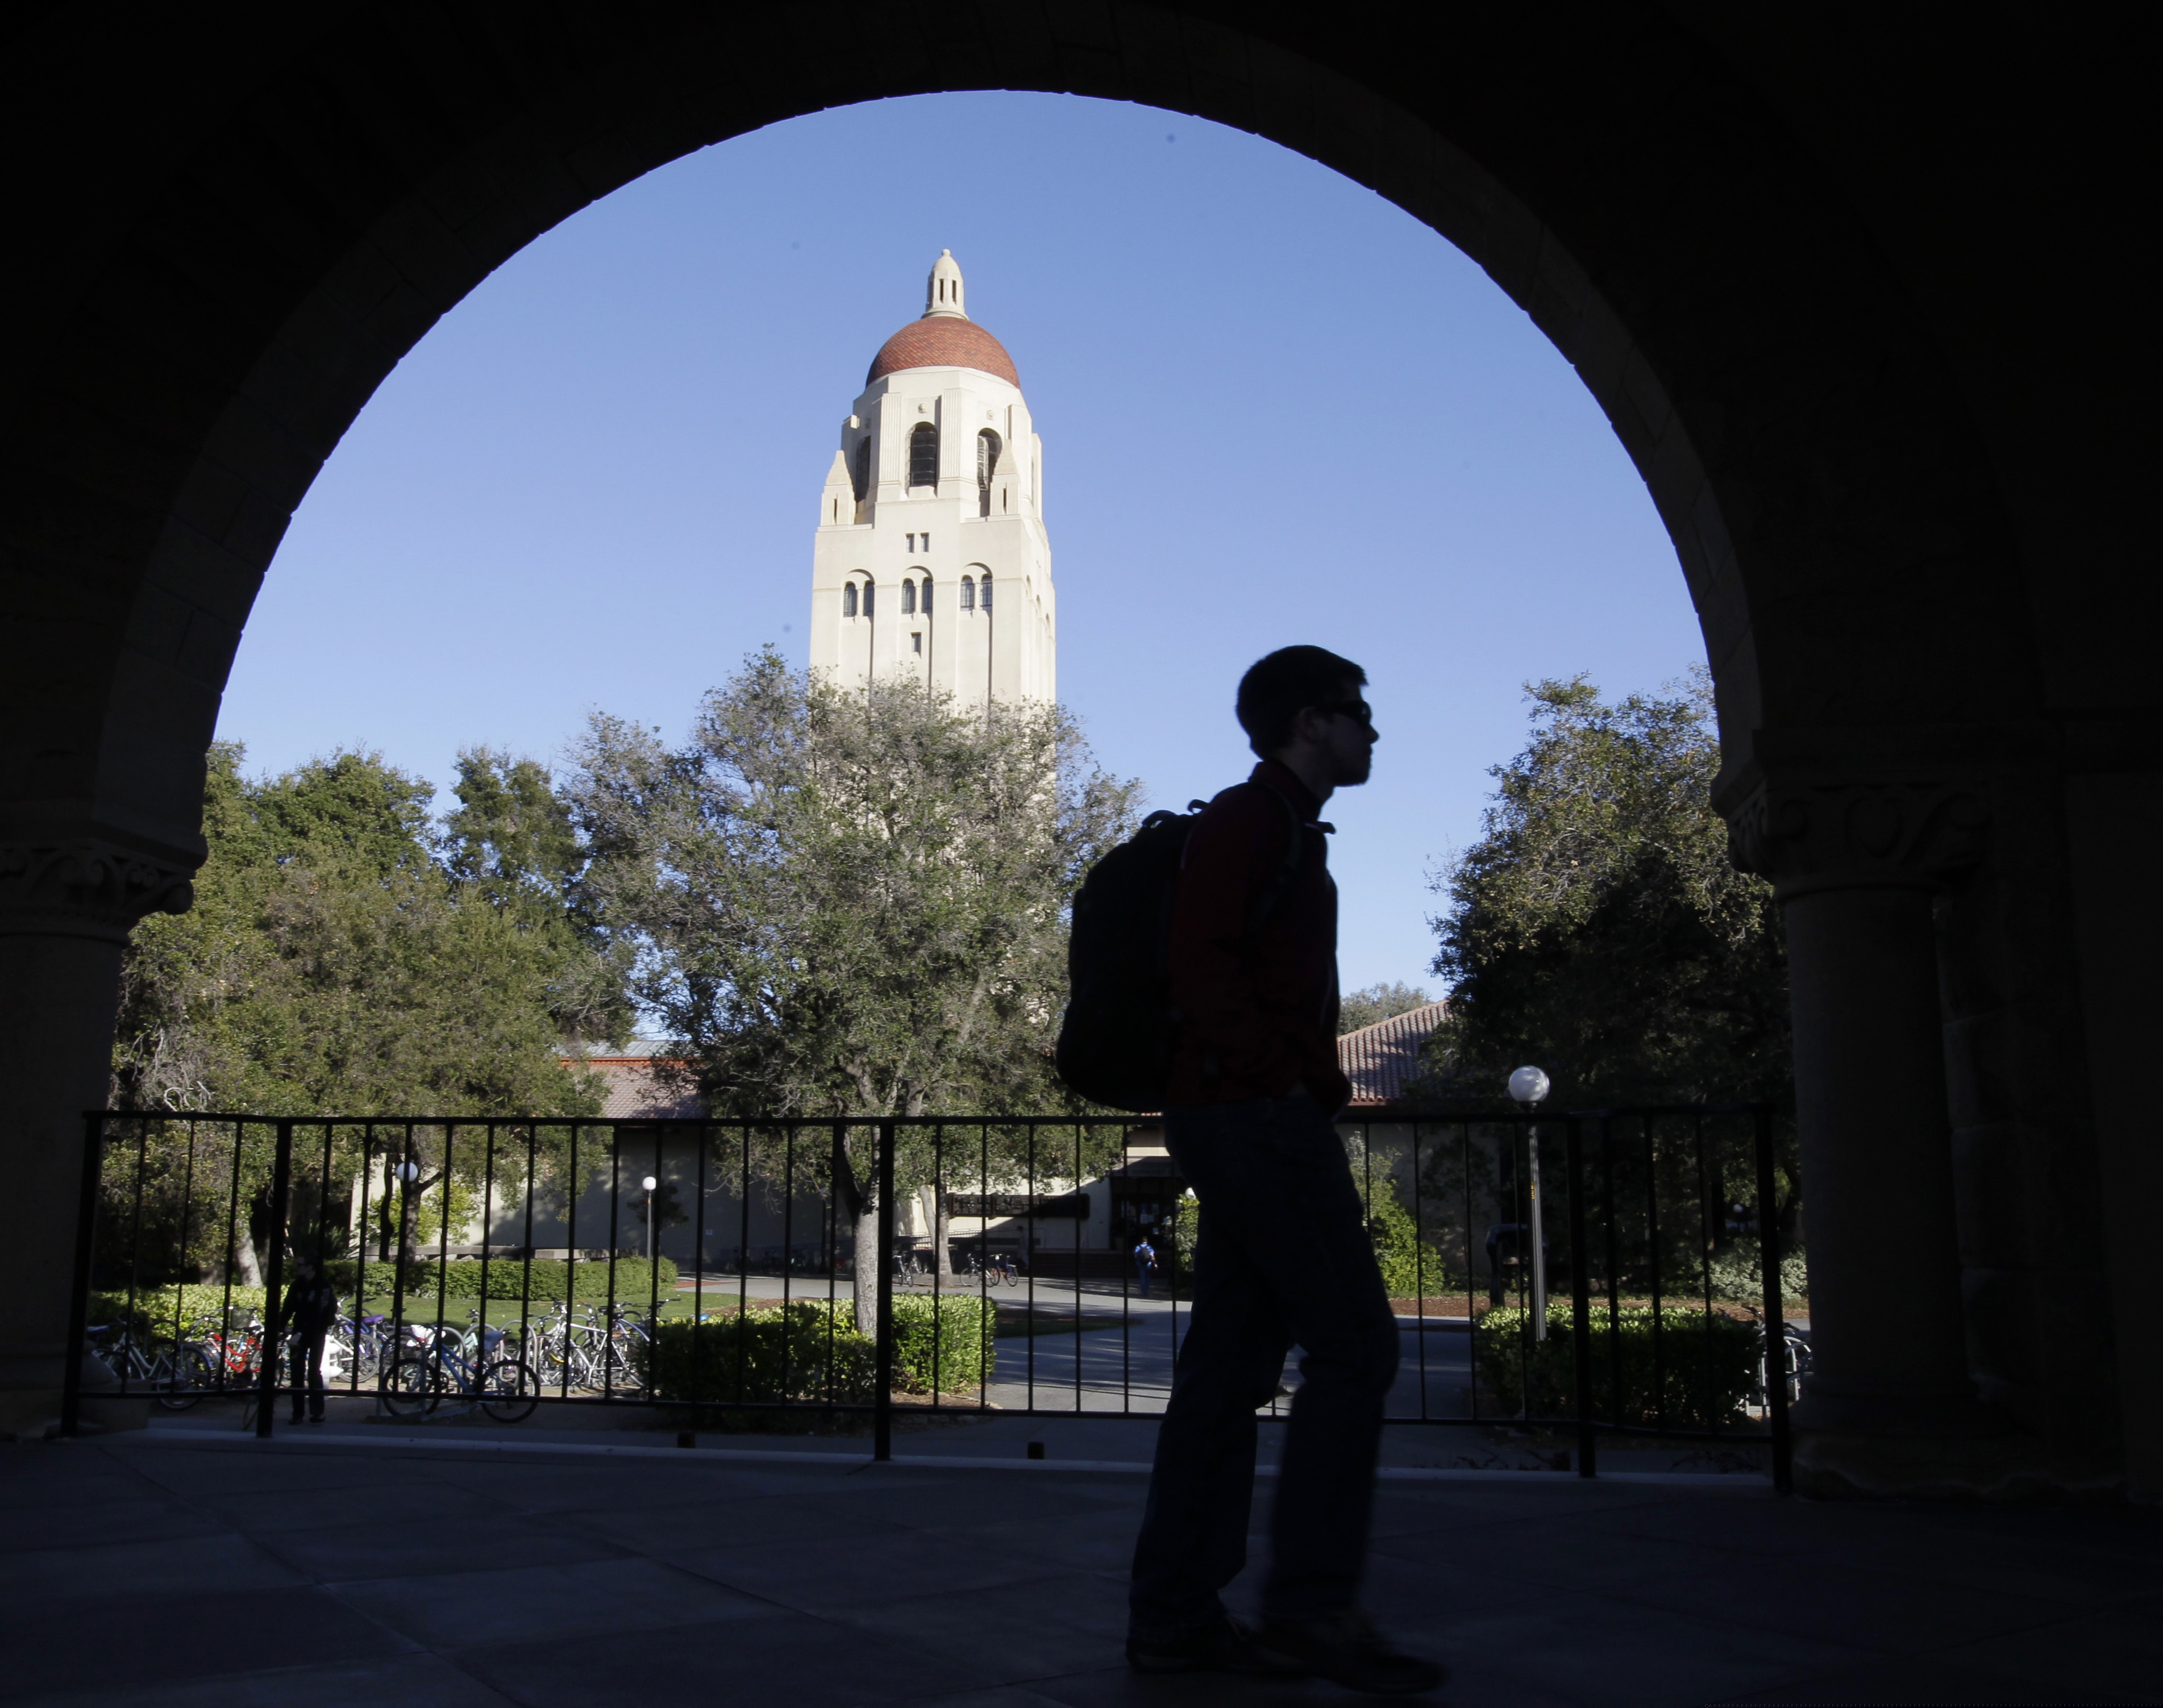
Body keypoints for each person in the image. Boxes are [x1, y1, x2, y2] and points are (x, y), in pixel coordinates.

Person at [1126, 646, 1441, 1695]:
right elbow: (1199, 968)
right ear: (1310, 722)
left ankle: (1175, 1619)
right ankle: (1308, 1613)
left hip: (1245, 1112)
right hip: (1250, 1119)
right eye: (1358, 713)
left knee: (1226, 1368)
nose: (1372, 732)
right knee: (1356, 1346)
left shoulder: (1289, 834)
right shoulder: (1248, 823)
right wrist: (1279, 1081)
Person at [283, 1256, 340, 1424]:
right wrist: (280, 1328)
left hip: (316, 1331)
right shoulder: (298, 1285)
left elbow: (321, 1312)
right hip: (299, 1330)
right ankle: (298, 1413)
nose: (298, 1268)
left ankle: (317, 1412)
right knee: (296, 1371)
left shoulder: (323, 1286)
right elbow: (288, 1307)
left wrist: (301, 1333)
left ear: (311, 1267)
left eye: (301, 1265)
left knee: (314, 1371)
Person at [1133, 1232, 1158, 1298]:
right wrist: (1155, 1264)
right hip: (1148, 1264)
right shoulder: (1149, 1247)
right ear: (1147, 1241)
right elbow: (1152, 1256)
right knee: (1148, 1278)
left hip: (1141, 1264)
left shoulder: (1138, 1247)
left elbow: (1136, 1256)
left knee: (1142, 1278)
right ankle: (1147, 1292)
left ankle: (1143, 1292)